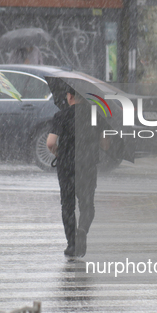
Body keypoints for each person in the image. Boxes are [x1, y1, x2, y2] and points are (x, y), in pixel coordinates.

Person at [47, 88, 109, 258]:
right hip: (87, 165)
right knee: (87, 203)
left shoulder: (62, 115)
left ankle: (71, 244)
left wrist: (58, 153)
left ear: (70, 96)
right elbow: (105, 145)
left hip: (66, 165)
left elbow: (50, 142)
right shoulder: (97, 116)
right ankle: (82, 230)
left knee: (67, 205)